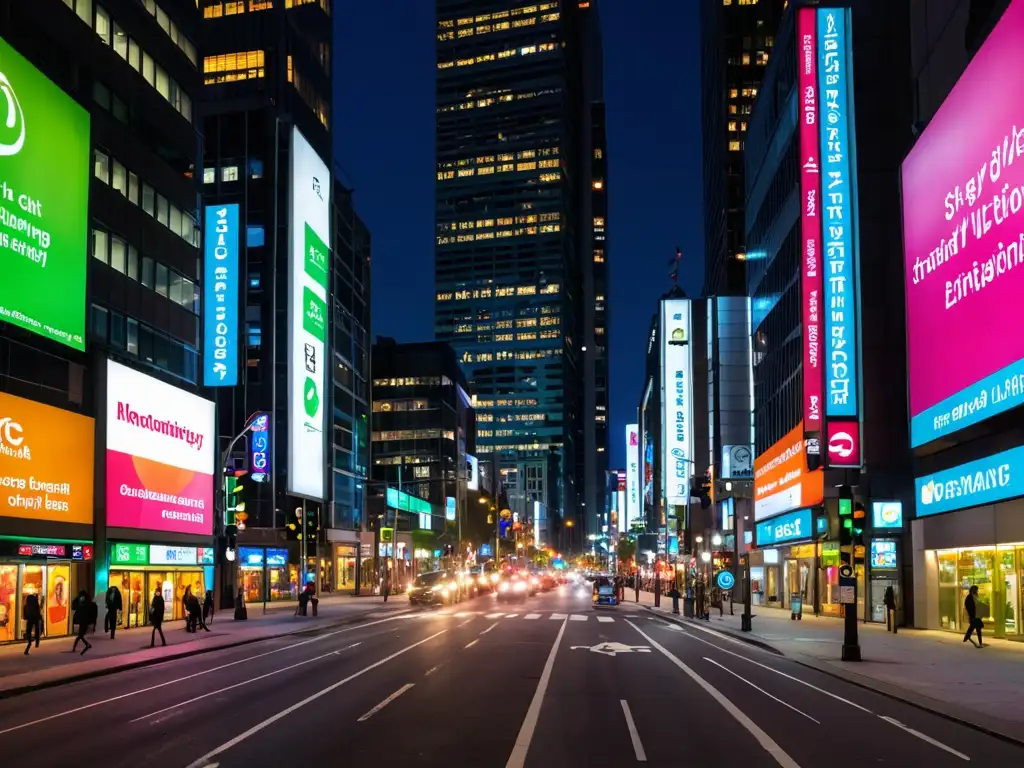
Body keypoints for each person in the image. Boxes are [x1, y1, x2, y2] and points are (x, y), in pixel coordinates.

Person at [71, 590, 93, 655]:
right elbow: (73, 607)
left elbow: (74, 607)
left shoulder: (82, 602)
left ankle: (85, 645)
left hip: (82, 619)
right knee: (80, 635)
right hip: (82, 619)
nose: (82, 598)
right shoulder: (84, 602)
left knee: (80, 635)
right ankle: (84, 645)